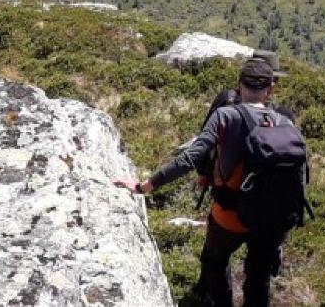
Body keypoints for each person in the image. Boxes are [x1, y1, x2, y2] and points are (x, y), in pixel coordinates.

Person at [114, 57, 307, 307]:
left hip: (230, 214)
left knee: (214, 261)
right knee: (258, 278)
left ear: (239, 85)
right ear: (271, 88)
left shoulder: (226, 116)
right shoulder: (286, 122)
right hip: (273, 218)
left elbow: (191, 158)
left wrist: (144, 186)